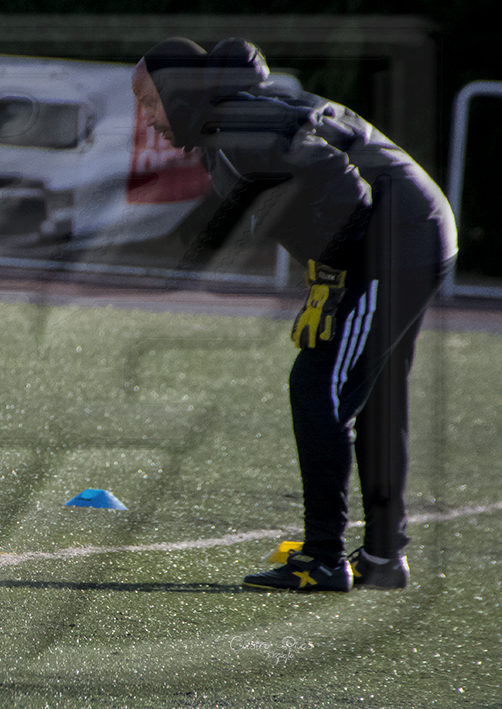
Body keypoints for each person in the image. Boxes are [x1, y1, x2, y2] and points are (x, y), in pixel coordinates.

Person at [132, 38, 457, 591]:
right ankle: (381, 555)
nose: (147, 119)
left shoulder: (238, 122)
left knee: (318, 387)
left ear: (179, 93)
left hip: (394, 242)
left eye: (150, 101)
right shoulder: (226, 120)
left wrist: (329, 276)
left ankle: (324, 558)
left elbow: (339, 182)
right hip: (411, 230)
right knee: (372, 395)